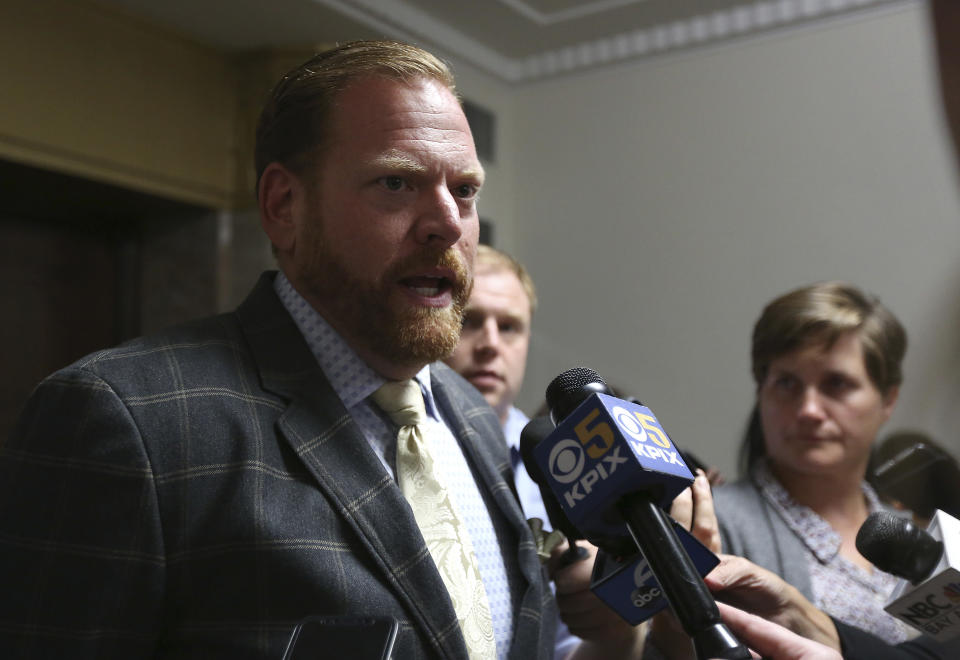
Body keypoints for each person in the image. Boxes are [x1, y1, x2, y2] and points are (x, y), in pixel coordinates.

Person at [0, 40, 560, 659]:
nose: (447, 224)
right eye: (397, 182)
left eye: (464, 190)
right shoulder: (126, 422)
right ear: (283, 206)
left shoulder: (476, 418)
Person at [713, 281, 912, 643]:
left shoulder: (912, 534)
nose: (808, 411)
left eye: (836, 383)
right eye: (787, 383)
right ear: (761, 393)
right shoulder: (715, 524)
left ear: (887, 400)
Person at [444, 244, 547, 524]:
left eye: (508, 327)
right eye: (468, 321)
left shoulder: (560, 462)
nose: (490, 344)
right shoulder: (403, 447)